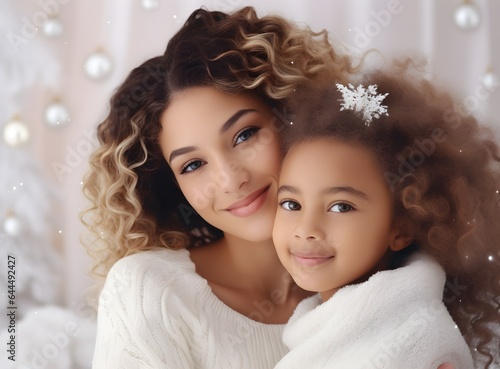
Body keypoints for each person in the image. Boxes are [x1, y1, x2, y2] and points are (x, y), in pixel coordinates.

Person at [81, 6, 354, 369]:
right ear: (174, 186)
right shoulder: (149, 292)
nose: (231, 179)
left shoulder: (372, 281)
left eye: (245, 135)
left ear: (293, 118)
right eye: (193, 165)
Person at [271, 62, 500, 369]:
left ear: (401, 227)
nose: (306, 229)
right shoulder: (320, 328)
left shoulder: (416, 346)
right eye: (291, 204)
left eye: (341, 206)